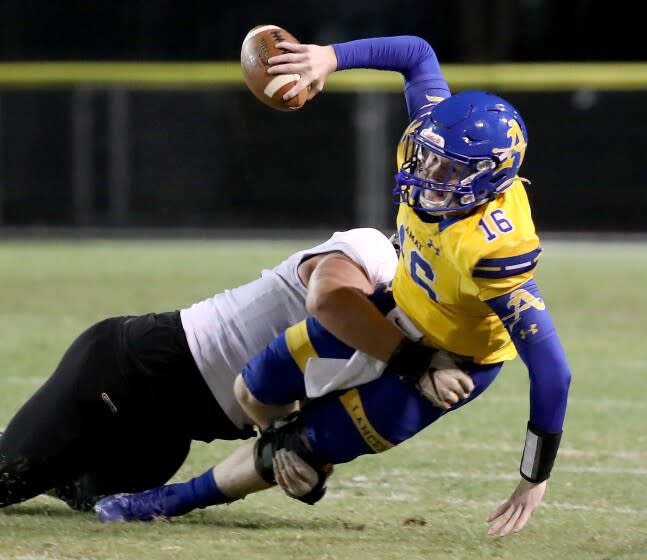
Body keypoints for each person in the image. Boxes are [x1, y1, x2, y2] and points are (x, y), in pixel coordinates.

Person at [95, 35, 572, 538]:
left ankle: (171, 501)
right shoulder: (431, 136)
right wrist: (328, 57)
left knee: (305, 445)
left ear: (489, 180)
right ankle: (294, 454)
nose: (430, 173)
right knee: (253, 387)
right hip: (400, 307)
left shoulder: (495, 249)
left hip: (453, 362)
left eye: (451, 169)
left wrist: (533, 476)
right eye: (430, 157)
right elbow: (417, 53)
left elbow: (553, 371)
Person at [0, 228, 398, 511]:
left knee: (90, 495)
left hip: (170, 431)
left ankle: (37, 448)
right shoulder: (376, 252)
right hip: (130, 372)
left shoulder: (411, 335)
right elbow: (329, 299)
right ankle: (31, 449)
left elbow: (295, 423)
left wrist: (305, 467)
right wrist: (405, 359)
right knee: (8, 477)